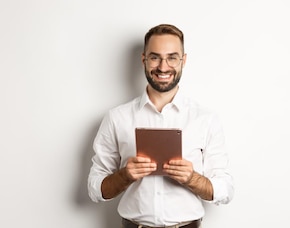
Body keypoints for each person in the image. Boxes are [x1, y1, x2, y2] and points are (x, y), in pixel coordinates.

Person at [87, 24, 234, 228]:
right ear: (143, 60)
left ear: (183, 61)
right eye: (155, 57)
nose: (163, 67)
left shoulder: (205, 119)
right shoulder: (116, 118)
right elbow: (95, 190)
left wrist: (191, 178)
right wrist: (125, 175)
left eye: (172, 58)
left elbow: (225, 190)